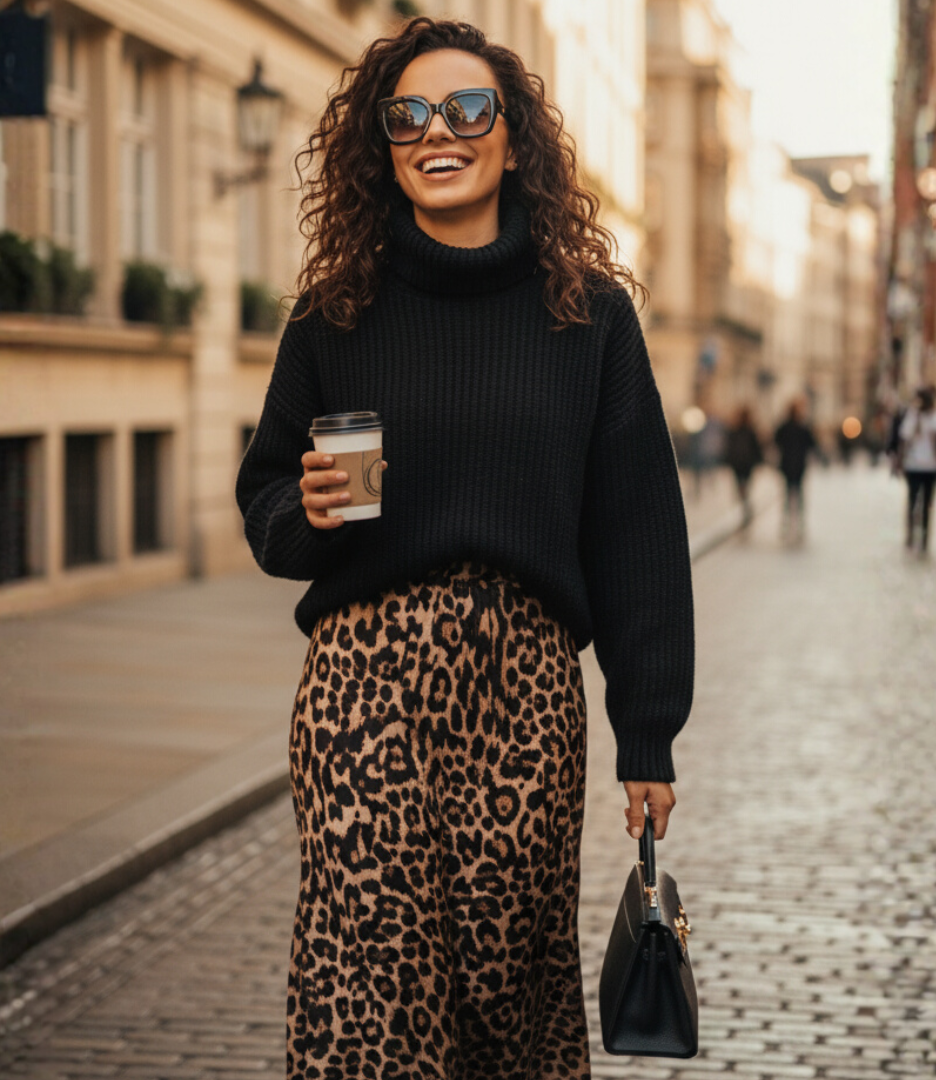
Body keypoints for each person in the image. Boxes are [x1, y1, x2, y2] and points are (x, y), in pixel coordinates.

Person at [235, 19, 693, 1080]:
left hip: (525, 692)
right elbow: (265, 501)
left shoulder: (588, 315)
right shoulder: (335, 311)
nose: (436, 132)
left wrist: (648, 734)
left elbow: (638, 531)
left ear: (513, 138)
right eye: (407, 117)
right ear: (384, 147)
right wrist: (307, 513)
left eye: (466, 109)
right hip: (362, 682)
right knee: (371, 982)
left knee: (505, 993)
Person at [897, 385, 936, 553]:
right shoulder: (913, 415)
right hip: (914, 466)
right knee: (913, 501)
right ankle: (910, 534)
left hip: (932, 467)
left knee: (928, 504)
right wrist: (900, 462)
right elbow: (905, 436)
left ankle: (924, 538)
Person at [773, 398, 818, 542]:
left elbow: (775, 441)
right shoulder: (802, 427)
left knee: (787, 495)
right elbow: (812, 444)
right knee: (798, 494)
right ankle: (799, 522)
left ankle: (786, 523)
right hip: (799, 466)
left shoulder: (784, 427)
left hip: (787, 465)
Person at [724, 405, 763, 524]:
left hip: (741, 463)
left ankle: (745, 506)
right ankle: (745, 506)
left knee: (742, 487)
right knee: (744, 486)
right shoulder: (744, 431)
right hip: (744, 463)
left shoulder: (740, 431)